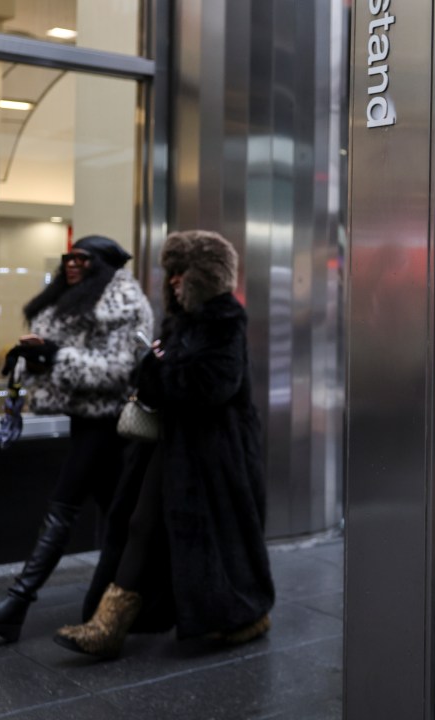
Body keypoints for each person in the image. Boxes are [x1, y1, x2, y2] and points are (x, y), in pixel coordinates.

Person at [54, 229, 274, 659]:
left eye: (182, 273)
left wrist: (160, 369)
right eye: (170, 273)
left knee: (171, 529)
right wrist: (154, 367)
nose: (173, 281)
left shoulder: (225, 318)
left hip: (213, 456)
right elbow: (165, 384)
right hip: (172, 448)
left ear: (205, 275)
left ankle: (236, 615)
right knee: (144, 525)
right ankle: (111, 623)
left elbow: (212, 385)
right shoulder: (180, 322)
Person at [0, 235, 153, 643]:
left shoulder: (123, 303)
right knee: (122, 518)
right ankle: (128, 601)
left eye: (81, 259)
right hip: (85, 420)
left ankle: (16, 604)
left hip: (109, 423)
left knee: (63, 506)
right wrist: (33, 357)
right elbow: (65, 356)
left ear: (101, 263)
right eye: (68, 257)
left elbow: (117, 370)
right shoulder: (75, 300)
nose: (71, 264)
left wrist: (54, 354)